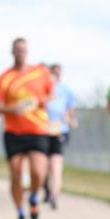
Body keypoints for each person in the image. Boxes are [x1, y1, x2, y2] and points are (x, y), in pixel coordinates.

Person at [0, 37, 54, 219]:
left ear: (27, 51)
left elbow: (51, 94)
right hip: (14, 131)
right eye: (17, 49)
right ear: (12, 52)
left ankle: (34, 197)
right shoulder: (5, 77)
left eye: (23, 49)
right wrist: (13, 108)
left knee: (38, 172)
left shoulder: (40, 72)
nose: (20, 52)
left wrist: (40, 100)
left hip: (37, 129)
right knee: (16, 174)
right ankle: (20, 211)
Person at [44, 63, 79, 210]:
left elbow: (71, 108)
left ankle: (54, 195)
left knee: (56, 163)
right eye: (54, 71)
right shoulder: (42, 87)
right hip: (41, 130)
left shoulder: (65, 90)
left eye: (59, 72)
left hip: (59, 130)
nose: (56, 74)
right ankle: (46, 188)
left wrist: (70, 118)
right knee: (44, 165)